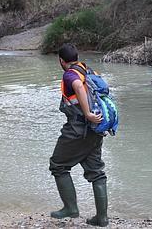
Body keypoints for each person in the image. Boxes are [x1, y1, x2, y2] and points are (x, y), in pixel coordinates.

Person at [49, 43, 109, 227]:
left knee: (58, 165)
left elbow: (78, 87)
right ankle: (102, 218)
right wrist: (93, 117)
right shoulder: (87, 69)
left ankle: (70, 209)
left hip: (78, 129)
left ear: (61, 61)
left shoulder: (70, 74)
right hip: (96, 128)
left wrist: (87, 114)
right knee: (96, 173)